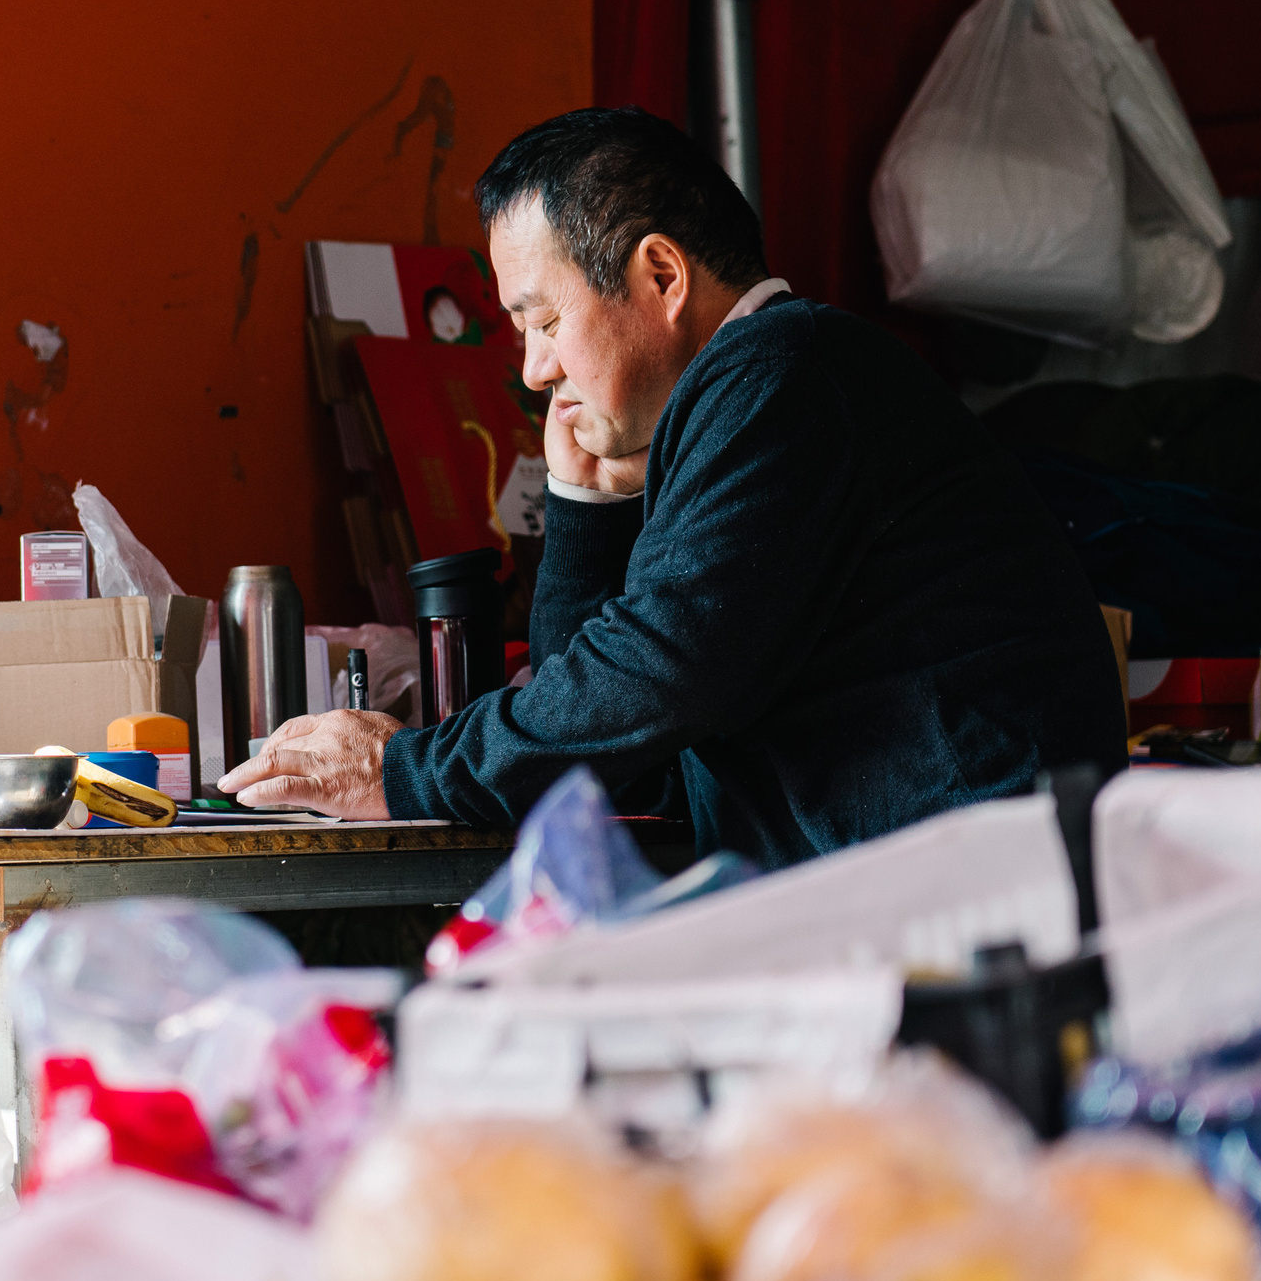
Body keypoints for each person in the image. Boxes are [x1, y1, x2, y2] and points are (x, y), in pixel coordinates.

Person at [219, 107, 1123, 869]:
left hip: (971, 907)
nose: (536, 370)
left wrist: (409, 770)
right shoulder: (735, 398)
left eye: (543, 321)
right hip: (886, 903)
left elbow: (662, 674)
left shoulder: (786, 372)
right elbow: (618, 754)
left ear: (661, 275)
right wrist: (585, 510)